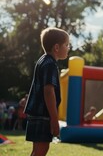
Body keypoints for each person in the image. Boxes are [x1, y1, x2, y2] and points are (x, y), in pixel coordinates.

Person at [24, 27, 70, 156]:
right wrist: (54, 120)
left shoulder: (42, 60)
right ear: (56, 47)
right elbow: (48, 91)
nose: (68, 48)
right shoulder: (50, 64)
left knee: (37, 150)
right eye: (66, 45)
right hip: (42, 115)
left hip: (37, 114)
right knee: (41, 150)